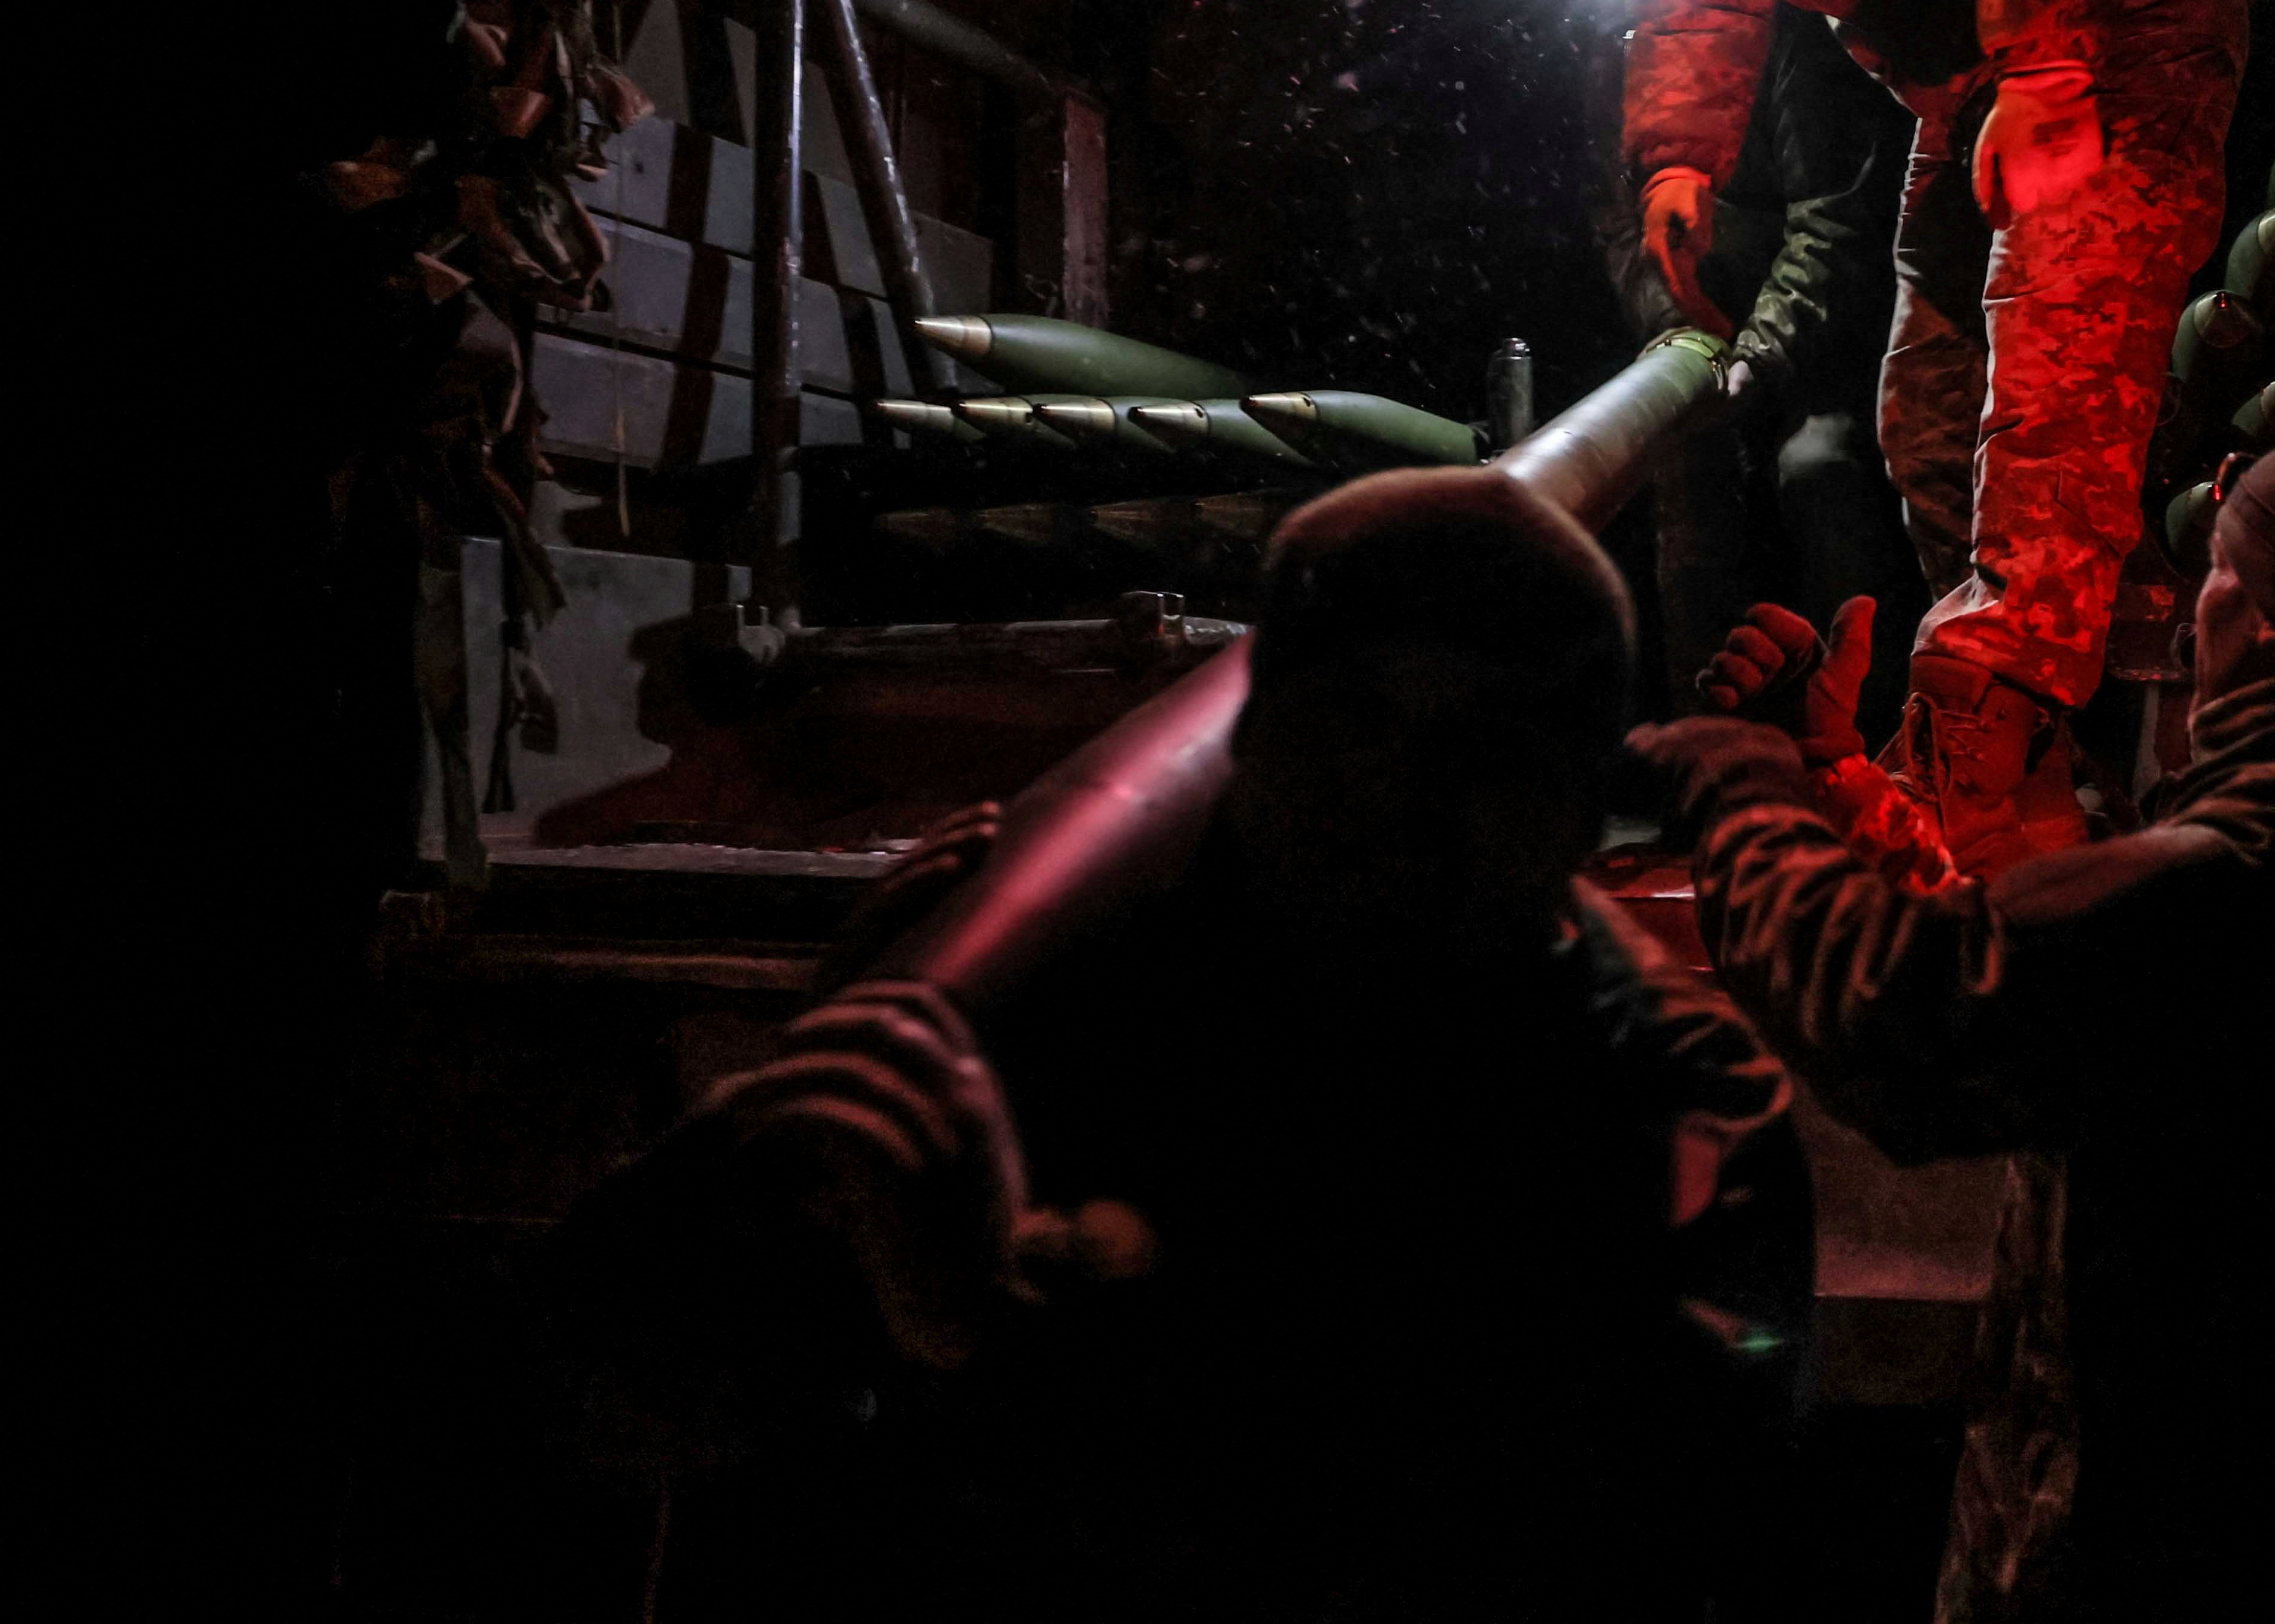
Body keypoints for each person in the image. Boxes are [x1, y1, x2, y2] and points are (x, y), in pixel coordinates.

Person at [553, 468, 1810, 1622]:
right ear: (1253, 736)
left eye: (1482, 750)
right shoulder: (1083, 973)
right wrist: (814, 1111)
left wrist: (1007, 1331)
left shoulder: (1672, 1094)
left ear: (1586, 799)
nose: (1395, 793)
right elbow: (592, 1406)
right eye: (1350, 720)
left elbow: (1556, 1529)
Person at [1628, 429, 2275, 1618]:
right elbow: (2032, 950)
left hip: (2171, 1556)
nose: (2180, 618)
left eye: (2218, 571)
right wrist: (1829, 770)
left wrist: (1747, 795)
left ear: (2268, 619)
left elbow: (1910, 1013)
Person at [1523, 0, 2264, 872]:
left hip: (2112, 13)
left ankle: (2037, 817)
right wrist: (1679, 150)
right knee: (1929, 417)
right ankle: (2061, 777)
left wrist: (2048, 60)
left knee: (2054, 402)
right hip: (1978, 72)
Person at [1605, 1, 1926, 748]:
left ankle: (1869, 742)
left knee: (1821, 471)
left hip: (1831, 338)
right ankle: (1708, 762)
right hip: (1706, 343)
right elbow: (1622, 227)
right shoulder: (1620, 58)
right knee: (1686, 494)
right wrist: (1677, 337)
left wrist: (1757, 355)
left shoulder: (1795, 40)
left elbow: (1834, 224)